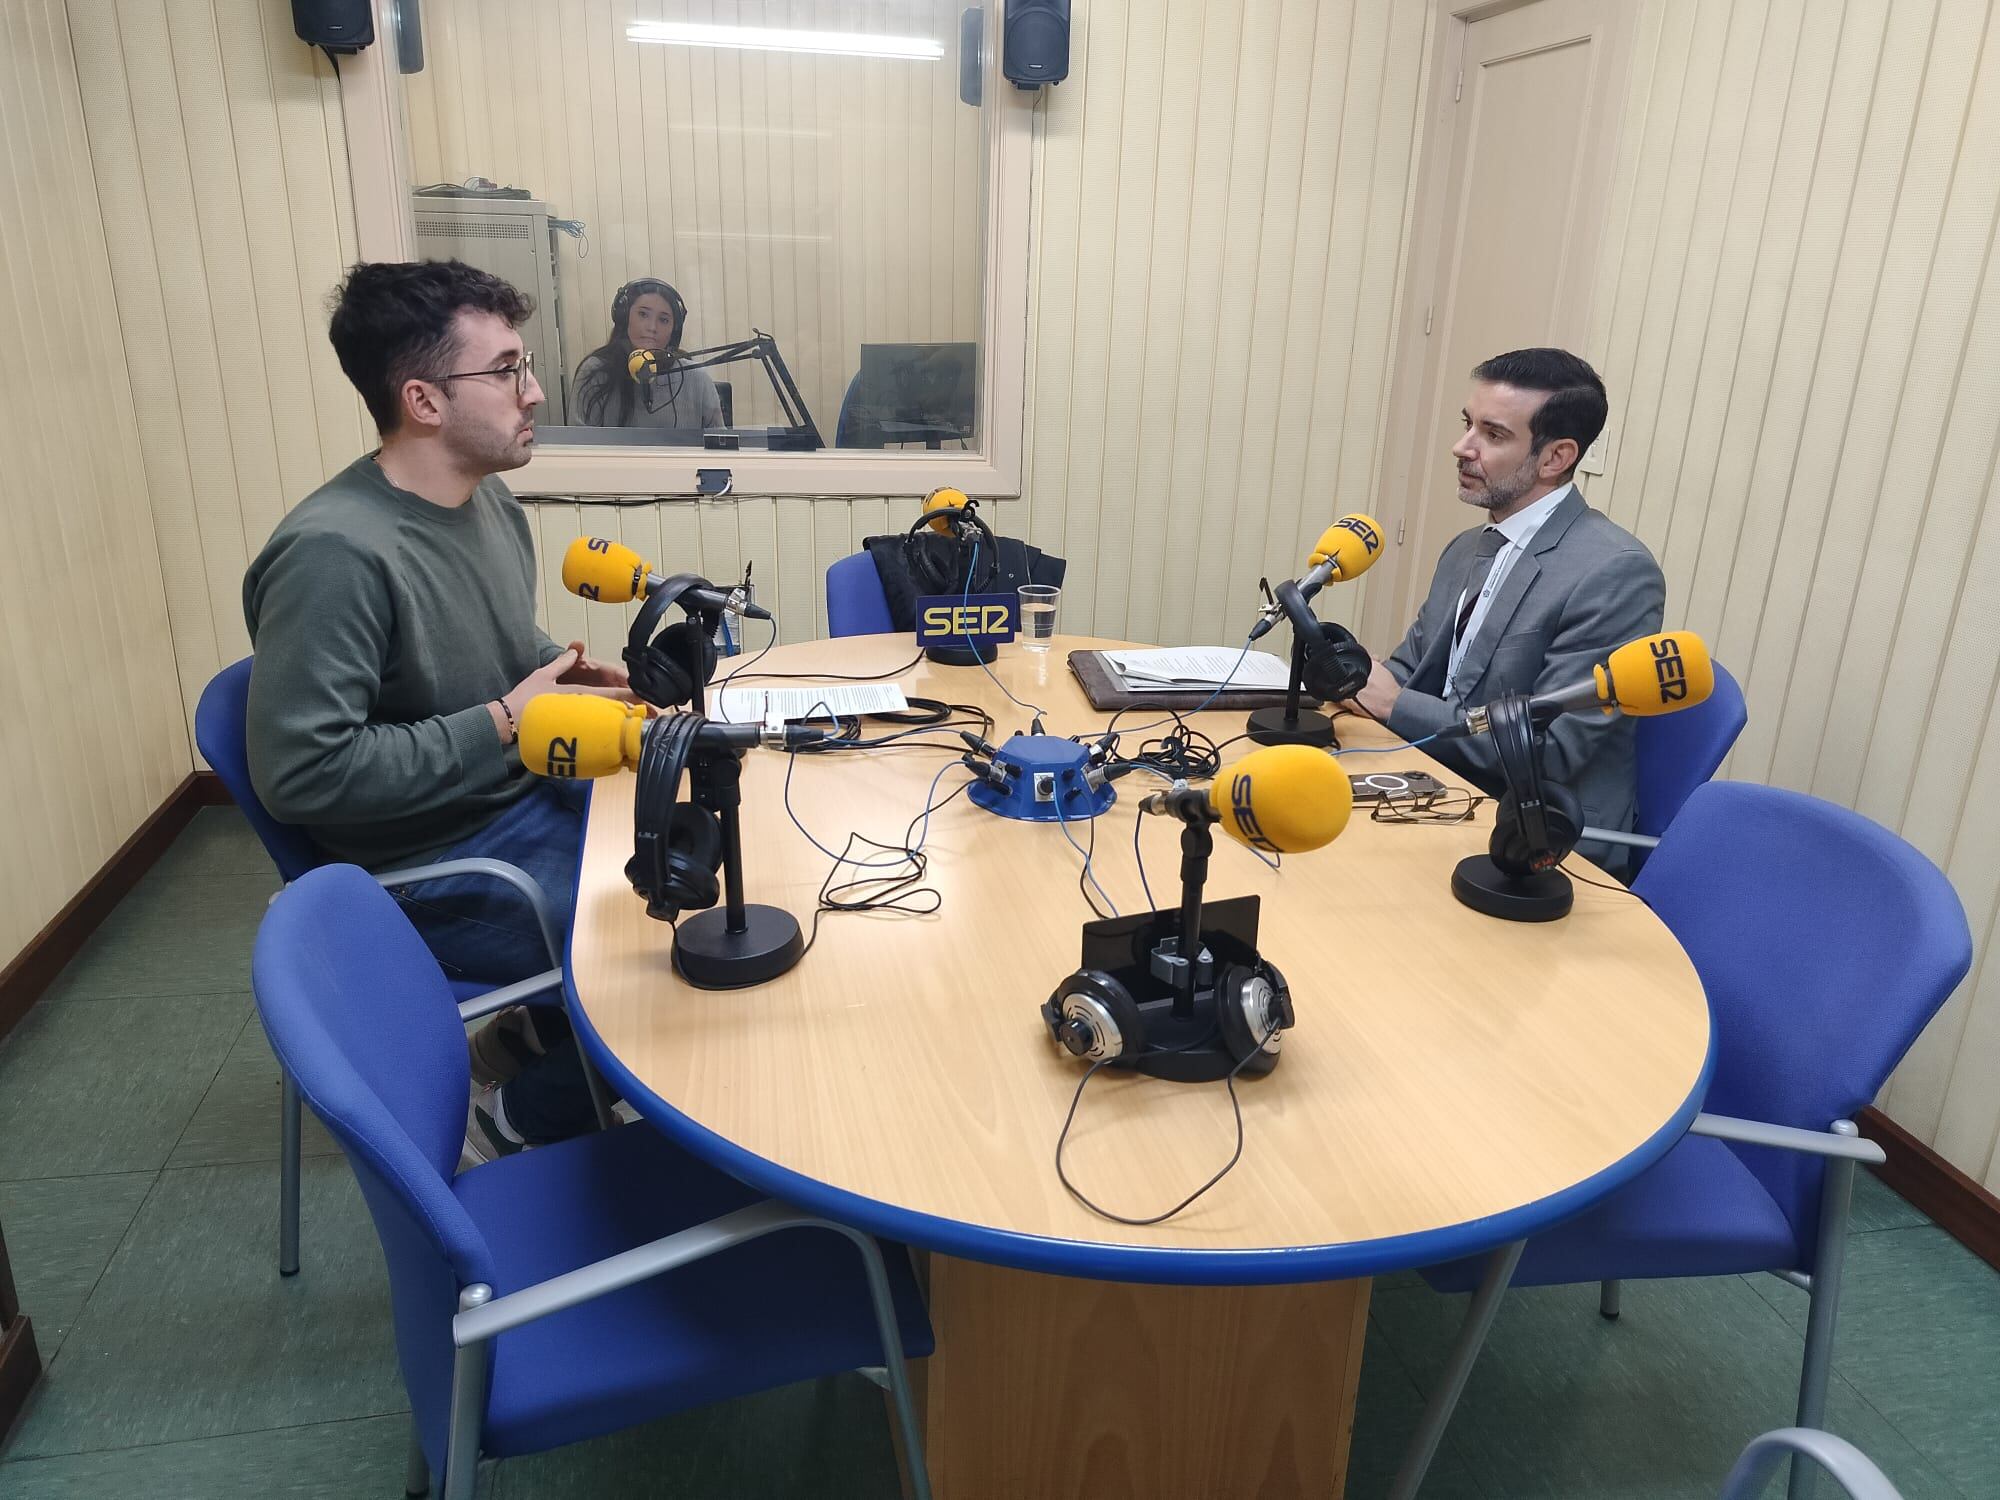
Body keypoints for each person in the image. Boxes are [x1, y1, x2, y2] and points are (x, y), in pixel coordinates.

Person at [243, 259, 633, 1161]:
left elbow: (493, 648)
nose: (533, 391)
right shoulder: (333, 555)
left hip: (517, 800)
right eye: (504, 371)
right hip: (432, 861)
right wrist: (505, 719)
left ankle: (527, 1032)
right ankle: (515, 1121)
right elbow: (304, 773)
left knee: (704, 840)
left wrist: (561, 675)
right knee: (668, 934)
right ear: (423, 400)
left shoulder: (486, 501)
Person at [1344, 348, 1665, 874]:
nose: (1461, 447)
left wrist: (1394, 705)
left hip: (1539, 838)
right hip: (1443, 787)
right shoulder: (1469, 546)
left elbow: (1552, 751)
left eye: (1492, 436)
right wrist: (1357, 680)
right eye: (1468, 424)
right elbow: (1415, 672)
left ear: (1555, 458)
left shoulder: (1615, 572)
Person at [571, 277, 725, 431]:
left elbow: (720, 448)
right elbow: (577, 446)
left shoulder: (696, 378)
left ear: (674, 330)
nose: (652, 327)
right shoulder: (595, 372)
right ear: (624, 319)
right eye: (643, 315)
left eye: (663, 320)